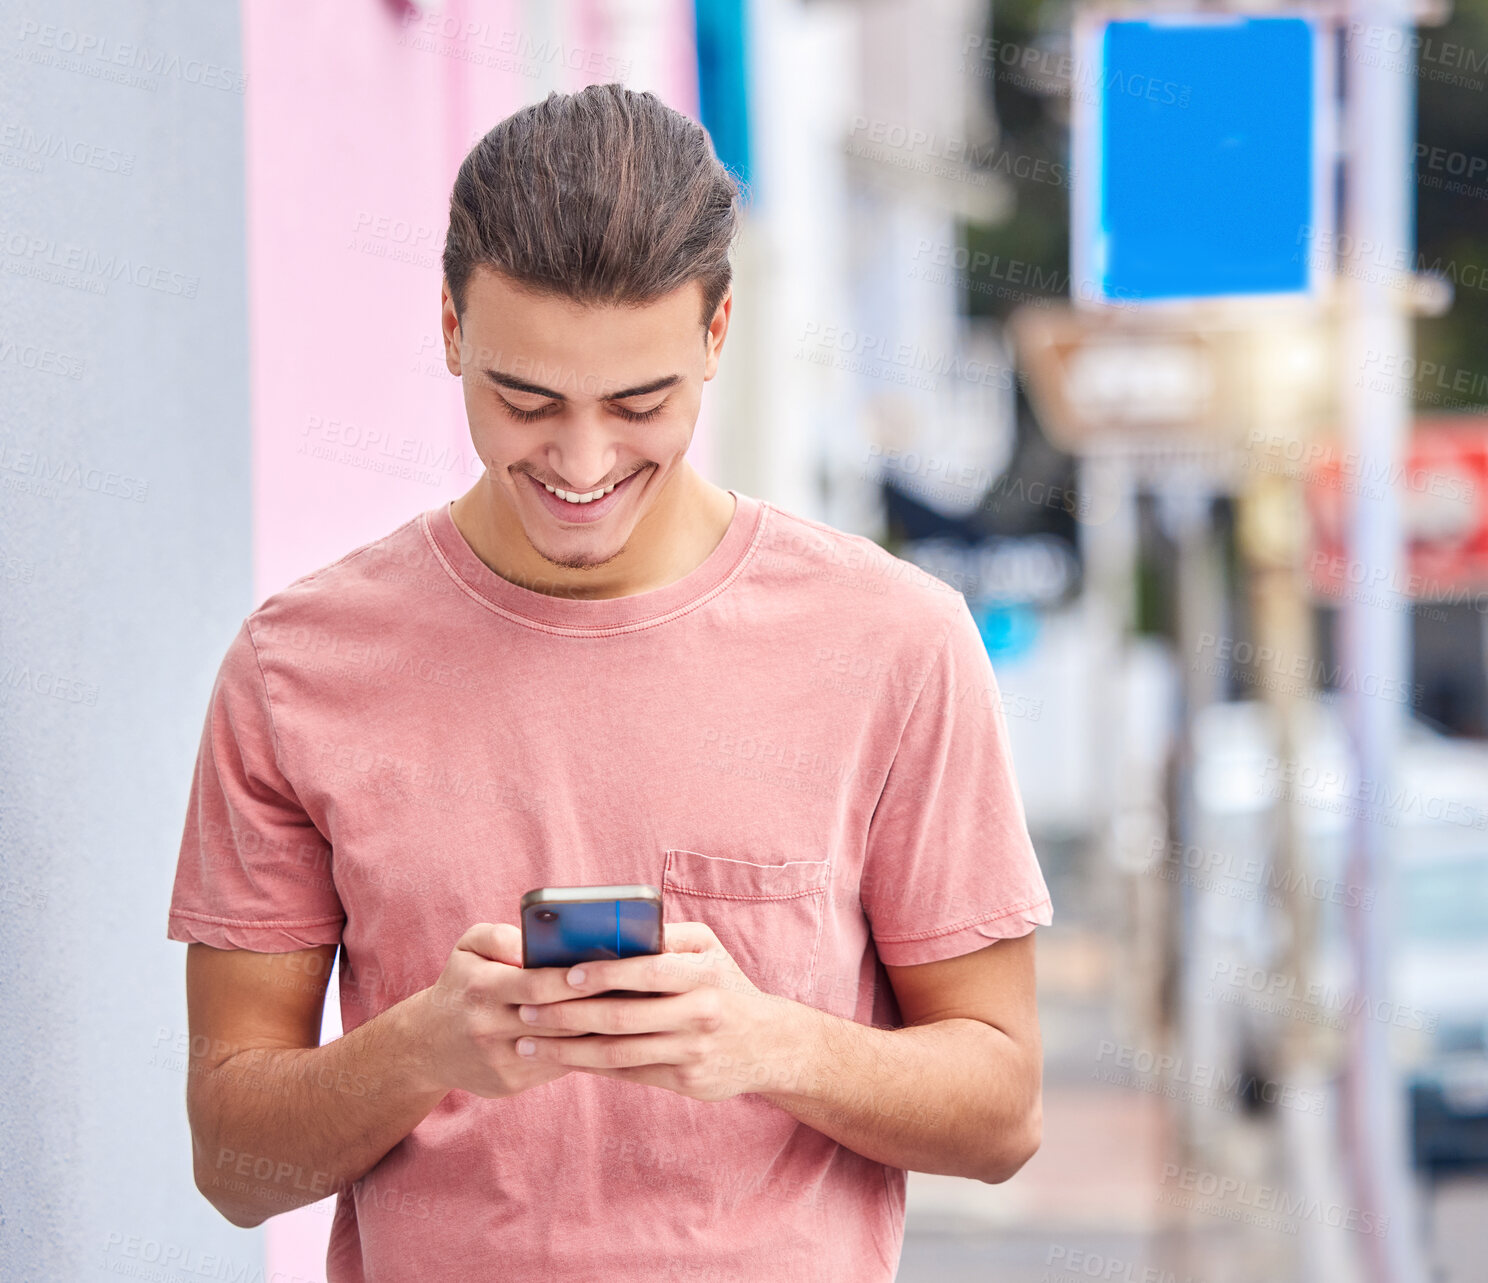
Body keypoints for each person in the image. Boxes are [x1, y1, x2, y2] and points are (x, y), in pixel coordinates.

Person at [167, 81, 1053, 1283]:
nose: (580, 465)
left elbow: (1000, 1113)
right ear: (448, 330)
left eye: (639, 405)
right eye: (524, 401)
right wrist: (421, 1046)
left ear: (717, 335)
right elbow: (234, 1162)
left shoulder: (894, 642)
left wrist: (763, 1041)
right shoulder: (295, 668)